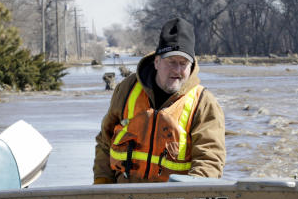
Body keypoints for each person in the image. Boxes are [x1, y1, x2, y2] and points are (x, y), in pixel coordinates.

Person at [93, 17, 225, 183]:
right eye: (171, 62)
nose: (177, 70)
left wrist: (193, 193)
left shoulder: (204, 102)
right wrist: (101, 184)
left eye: (183, 63)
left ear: (191, 67)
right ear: (156, 62)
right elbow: (105, 142)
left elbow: (209, 160)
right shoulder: (126, 89)